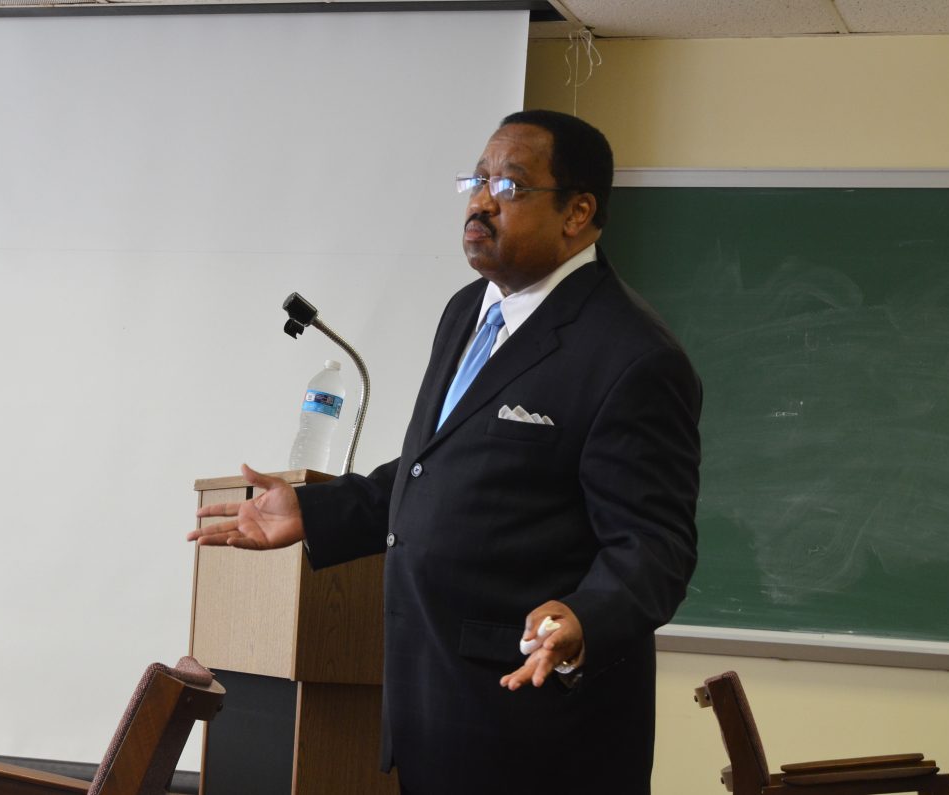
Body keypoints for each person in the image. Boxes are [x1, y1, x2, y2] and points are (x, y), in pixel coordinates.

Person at [187, 110, 701, 794]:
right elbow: (438, 466)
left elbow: (653, 544)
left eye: (510, 186)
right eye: (476, 179)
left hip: (540, 738)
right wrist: (314, 511)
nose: (481, 201)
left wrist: (585, 616)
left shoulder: (631, 356)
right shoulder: (467, 310)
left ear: (578, 213)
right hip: (434, 710)